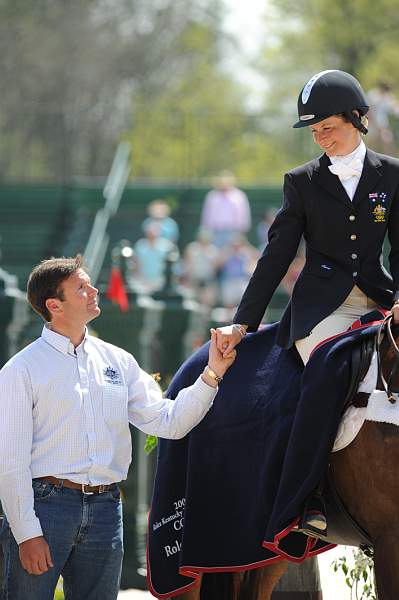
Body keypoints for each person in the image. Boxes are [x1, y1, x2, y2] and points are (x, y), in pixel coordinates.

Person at [215, 69, 399, 532]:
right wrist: (244, 323)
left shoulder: (392, 175)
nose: (321, 138)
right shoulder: (301, 181)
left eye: (328, 128)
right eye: (314, 132)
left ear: (358, 119)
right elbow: (276, 256)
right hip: (323, 310)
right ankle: (310, 492)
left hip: (379, 299)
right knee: (328, 372)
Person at [0, 255, 236, 600]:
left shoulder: (118, 360)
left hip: (107, 510)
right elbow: (10, 460)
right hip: (44, 509)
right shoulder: (20, 370)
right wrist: (26, 533)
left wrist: (212, 373)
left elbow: (168, 422)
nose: (94, 290)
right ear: (55, 305)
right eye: (82, 287)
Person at [200, 170, 251, 248]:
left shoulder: (239, 196)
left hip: (234, 231)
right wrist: (207, 231)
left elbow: (243, 215)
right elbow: (207, 215)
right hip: (215, 232)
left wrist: (241, 232)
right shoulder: (212, 196)